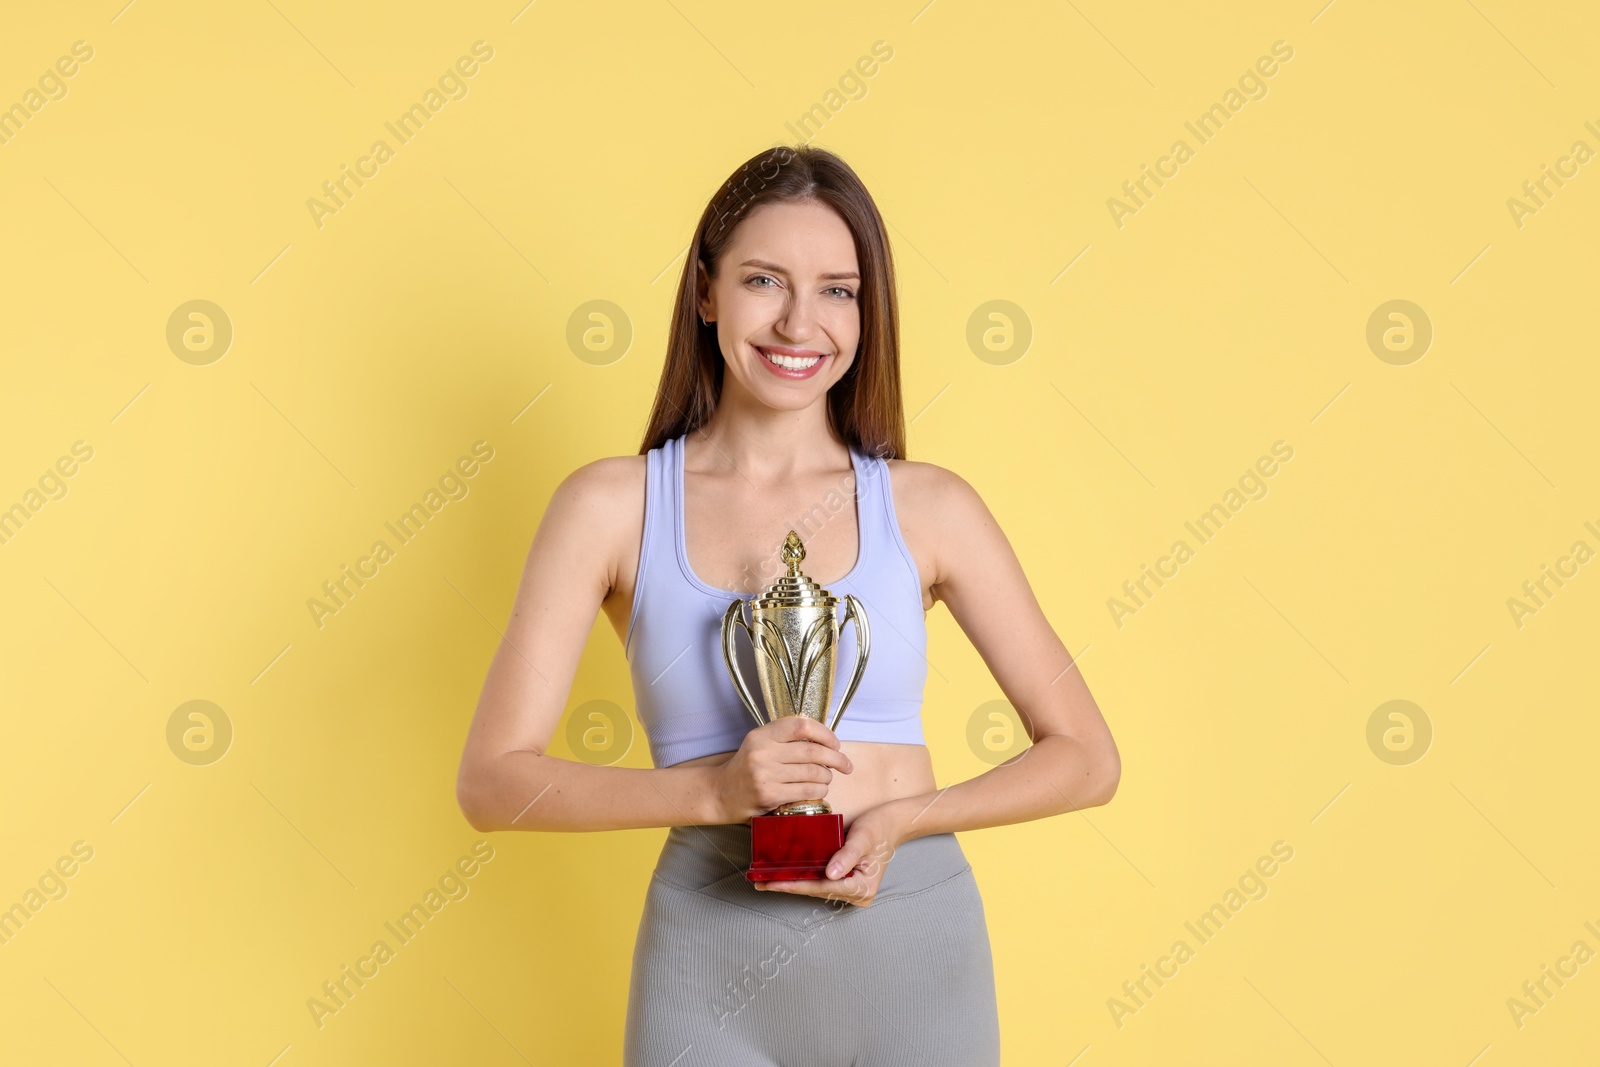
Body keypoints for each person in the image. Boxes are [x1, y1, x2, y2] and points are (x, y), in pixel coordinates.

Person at [455, 144, 1120, 1066]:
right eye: (765, 279)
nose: (800, 322)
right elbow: (491, 783)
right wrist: (714, 790)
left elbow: (1087, 757)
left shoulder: (929, 507)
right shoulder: (610, 507)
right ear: (705, 292)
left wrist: (902, 821)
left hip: (916, 950)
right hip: (708, 956)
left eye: (839, 290)